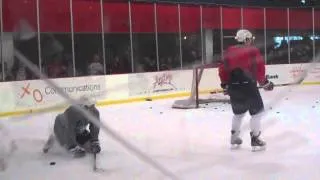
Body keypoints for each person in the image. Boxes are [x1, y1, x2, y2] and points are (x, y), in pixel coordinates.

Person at [218, 29, 274, 151]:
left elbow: (222, 69)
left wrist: (225, 84)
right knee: (257, 113)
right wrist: (265, 83)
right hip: (249, 87)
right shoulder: (252, 50)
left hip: (234, 86)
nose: (251, 41)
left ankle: (234, 137)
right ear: (246, 39)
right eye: (249, 39)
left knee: (238, 114)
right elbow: (259, 69)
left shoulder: (228, 51)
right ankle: (255, 138)